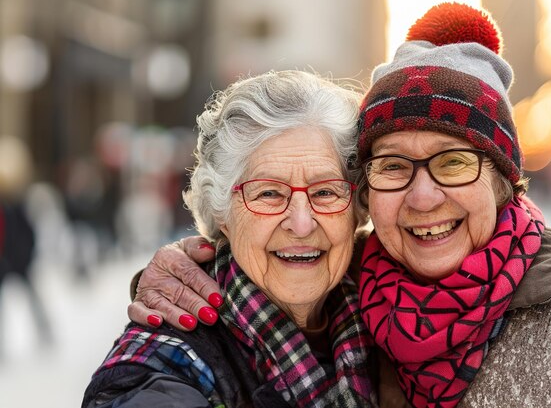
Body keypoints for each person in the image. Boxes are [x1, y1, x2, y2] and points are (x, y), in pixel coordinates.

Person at [127, 3, 551, 408]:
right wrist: (180, 273)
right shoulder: (358, 298)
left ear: (503, 180)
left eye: (453, 163)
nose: (424, 196)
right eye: (392, 166)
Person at [82, 70, 379, 408]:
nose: (301, 223)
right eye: (268, 193)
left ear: (357, 208)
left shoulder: (389, 322)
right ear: (221, 211)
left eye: (325, 191)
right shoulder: (167, 360)